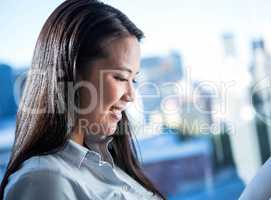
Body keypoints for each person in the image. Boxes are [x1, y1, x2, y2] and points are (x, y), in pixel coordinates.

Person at [0, 0, 165, 199]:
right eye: (121, 77)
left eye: (134, 79)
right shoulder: (44, 181)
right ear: (72, 73)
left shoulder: (104, 164)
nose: (131, 95)